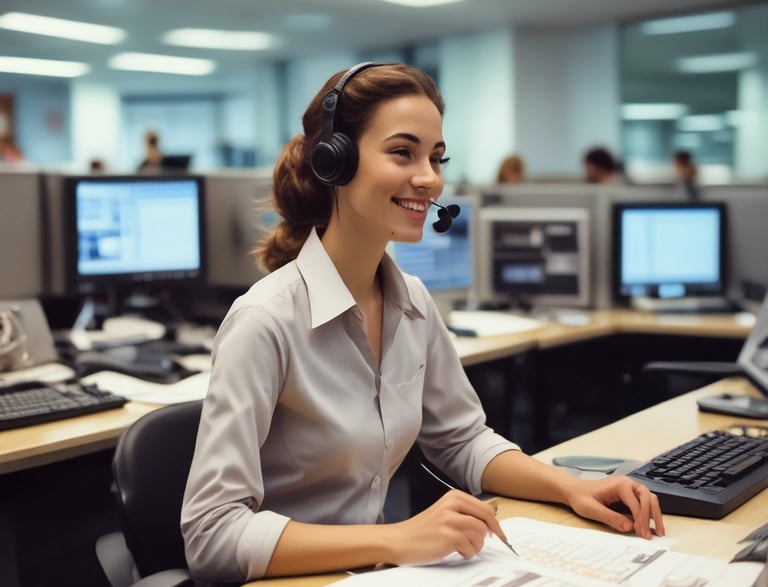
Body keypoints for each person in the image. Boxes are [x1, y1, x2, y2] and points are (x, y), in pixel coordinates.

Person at [181, 62, 664, 584]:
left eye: (436, 157)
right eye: (401, 152)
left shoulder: (411, 301)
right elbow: (212, 536)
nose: (429, 178)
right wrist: (397, 538)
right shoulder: (265, 322)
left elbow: (462, 440)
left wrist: (571, 487)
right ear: (334, 162)